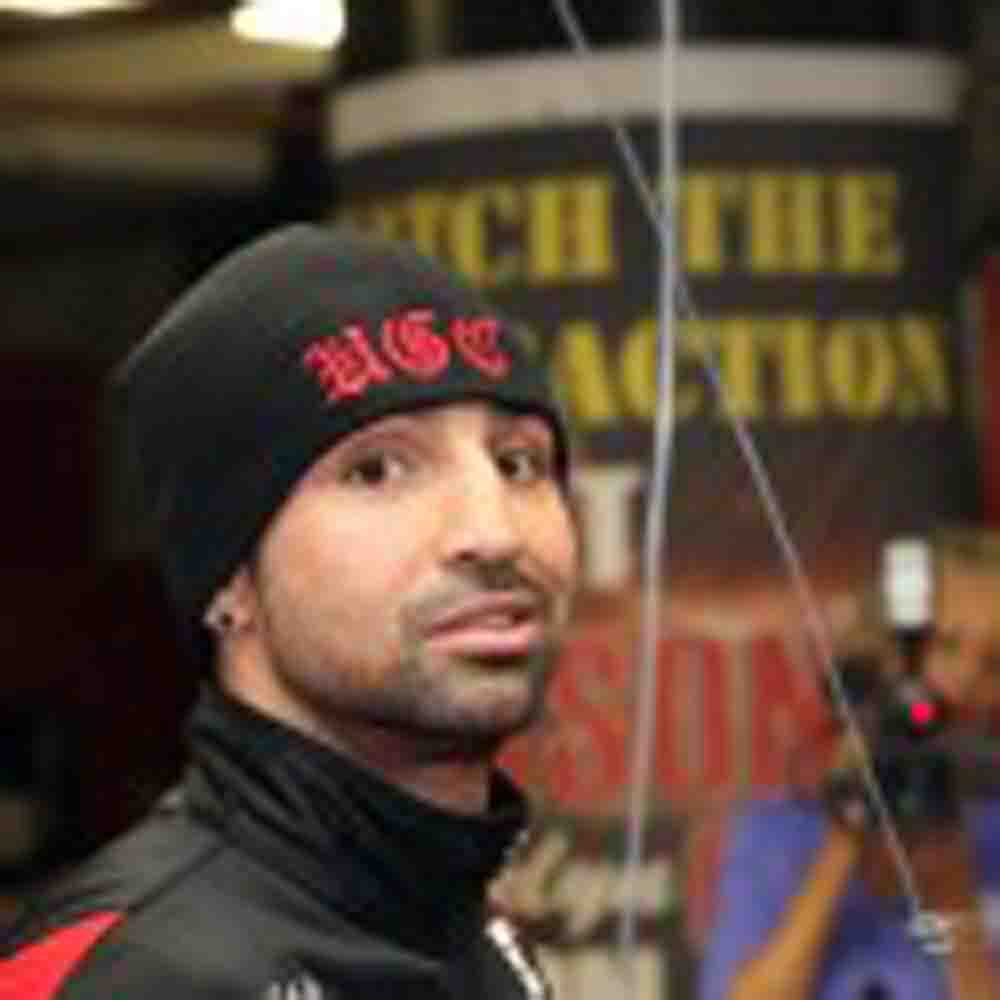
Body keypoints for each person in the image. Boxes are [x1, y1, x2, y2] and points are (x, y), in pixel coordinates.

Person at [0, 224, 580, 999]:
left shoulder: (468, 934)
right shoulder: (134, 975)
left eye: (518, 463)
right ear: (230, 582)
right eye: (377, 471)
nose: (494, 532)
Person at [698, 616, 1000, 1000]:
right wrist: (842, 840)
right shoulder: (777, 839)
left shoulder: (989, 836)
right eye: (947, 646)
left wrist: (956, 898)